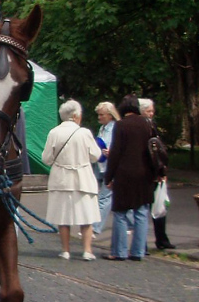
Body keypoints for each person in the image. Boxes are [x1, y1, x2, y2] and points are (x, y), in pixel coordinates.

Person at [42, 100, 102, 261]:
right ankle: (87, 250)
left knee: (63, 218)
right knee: (86, 217)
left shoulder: (54, 132)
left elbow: (46, 159)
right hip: (83, 179)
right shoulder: (85, 133)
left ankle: (65, 250)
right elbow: (96, 156)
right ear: (75, 116)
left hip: (61, 179)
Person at [103, 95, 156, 261]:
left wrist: (109, 176)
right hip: (145, 173)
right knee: (141, 212)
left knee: (120, 212)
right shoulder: (147, 125)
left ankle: (119, 251)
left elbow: (116, 153)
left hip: (124, 173)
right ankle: (138, 251)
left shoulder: (121, 126)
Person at [140, 98, 174, 250]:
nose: (152, 114)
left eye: (152, 111)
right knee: (151, 208)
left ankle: (153, 241)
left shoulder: (147, 126)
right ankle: (160, 240)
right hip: (150, 173)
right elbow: (157, 152)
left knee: (153, 208)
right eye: (149, 111)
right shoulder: (147, 127)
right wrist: (161, 171)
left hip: (149, 173)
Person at [92, 101, 119, 236]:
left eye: (102, 115)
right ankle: (131, 223)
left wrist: (111, 151)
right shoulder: (102, 128)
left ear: (110, 115)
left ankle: (95, 227)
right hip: (102, 166)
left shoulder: (115, 128)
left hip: (110, 166)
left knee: (104, 197)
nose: (99, 117)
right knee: (111, 196)